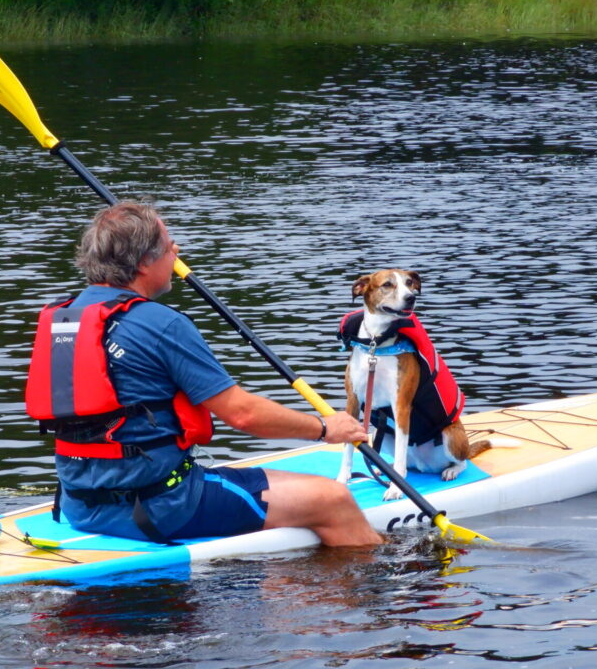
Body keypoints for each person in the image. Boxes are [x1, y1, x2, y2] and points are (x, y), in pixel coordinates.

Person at [25, 200, 383, 547]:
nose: (176, 251)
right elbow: (242, 414)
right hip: (162, 507)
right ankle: (376, 599)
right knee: (333, 499)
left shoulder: (65, 317)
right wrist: (325, 428)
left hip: (81, 506)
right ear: (145, 263)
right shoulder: (162, 324)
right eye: (169, 247)